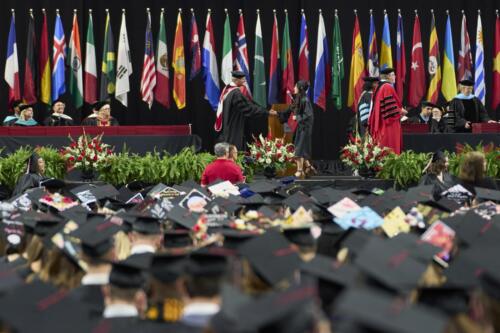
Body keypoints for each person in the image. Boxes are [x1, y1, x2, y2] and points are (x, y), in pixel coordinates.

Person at [215, 70, 277, 151]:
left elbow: (249, 103)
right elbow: (249, 109)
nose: (244, 80)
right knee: (234, 151)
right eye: (243, 79)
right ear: (236, 80)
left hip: (227, 126)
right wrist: (266, 112)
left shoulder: (227, 89)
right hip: (234, 128)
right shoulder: (236, 93)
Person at [276, 80, 315, 178]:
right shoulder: (298, 99)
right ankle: (309, 167)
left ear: (300, 88)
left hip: (305, 129)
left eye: (295, 86)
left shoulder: (305, 100)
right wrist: (278, 113)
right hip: (301, 128)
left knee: (299, 150)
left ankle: (300, 171)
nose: (293, 88)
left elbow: (308, 114)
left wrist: (297, 117)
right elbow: (290, 109)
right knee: (301, 149)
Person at [368, 68, 407, 154]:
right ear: (388, 76)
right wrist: (400, 111)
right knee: (390, 148)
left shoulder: (379, 86)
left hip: (381, 122)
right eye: (393, 75)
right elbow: (390, 110)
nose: (395, 76)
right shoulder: (387, 87)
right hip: (389, 124)